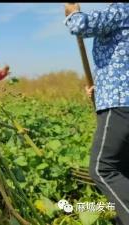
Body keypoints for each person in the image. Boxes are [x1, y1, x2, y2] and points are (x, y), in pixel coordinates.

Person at [65, 3, 129, 224]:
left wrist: (73, 12)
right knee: (122, 168)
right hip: (119, 97)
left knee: (103, 168)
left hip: (119, 101)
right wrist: (100, 89)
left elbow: (82, 25)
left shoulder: (121, 8)